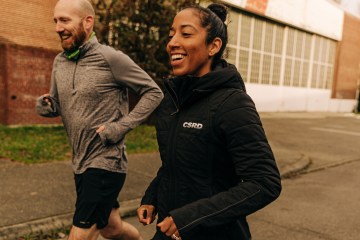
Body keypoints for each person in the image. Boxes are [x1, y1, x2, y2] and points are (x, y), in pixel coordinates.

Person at [137, 3, 281, 240]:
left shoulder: (233, 104)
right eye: (171, 34)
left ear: (214, 46)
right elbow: (175, 162)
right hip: (168, 229)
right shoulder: (173, 100)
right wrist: (152, 197)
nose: (172, 42)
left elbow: (265, 183)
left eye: (186, 33)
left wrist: (188, 218)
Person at [35, 0, 163, 239]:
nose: (57, 28)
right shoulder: (59, 62)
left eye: (64, 20)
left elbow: (154, 92)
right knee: (112, 228)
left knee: (79, 234)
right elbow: (57, 105)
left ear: (87, 21)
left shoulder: (110, 58)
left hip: (106, 162)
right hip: (80, 161)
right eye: (55, 21)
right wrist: (46, 106)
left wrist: (120, 127)